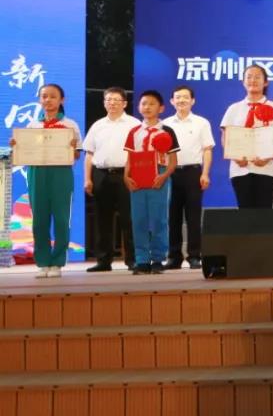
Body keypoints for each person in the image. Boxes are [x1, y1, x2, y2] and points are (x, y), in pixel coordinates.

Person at [9, 84, 81, 278]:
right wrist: (16, 145)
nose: (48, 100)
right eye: (44, 96)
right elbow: (22, 153)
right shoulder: (32, 126)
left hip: (61, 174)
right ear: (40, 100)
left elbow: (76, 156)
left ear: (62, 100)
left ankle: (57, 262)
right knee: (39, 219)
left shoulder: (70, 125)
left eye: (53, 96)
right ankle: (43, 262)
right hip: (37, 173)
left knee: (61, 219)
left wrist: (72, 148)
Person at [123, 90, 180, 275]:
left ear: (161, 108)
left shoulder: (167, 131)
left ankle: (157, 259)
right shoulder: (134, 132)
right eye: (143, 103)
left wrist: (164, 176)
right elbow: (130, 158)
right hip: (137, 176)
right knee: (138, 219)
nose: (147, 107)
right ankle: (141, 260)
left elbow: (173, 161)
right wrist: (126, 176)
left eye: (151, 104)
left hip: (159, 176)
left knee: (158, 219)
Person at [82, 87, 139, 271]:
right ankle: (103, 261)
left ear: (125, 103)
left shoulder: (134, 124)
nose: (112, 103)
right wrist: (87, 179)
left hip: (126, 175)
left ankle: (133, 260)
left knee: (129, 219)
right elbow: (89, 154)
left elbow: (140, 153)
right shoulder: (98, 125)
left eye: (116, 100)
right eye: (108, 100)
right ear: (104, 103)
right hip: (101, 174)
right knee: (102, 219)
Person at [219, 65, 273, 208]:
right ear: (243, 82)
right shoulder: (234, 109)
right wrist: (235, 157)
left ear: (266, 82)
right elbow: (226, 137)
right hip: (240, 169)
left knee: (264, 211)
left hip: (268, 169)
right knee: (244, 211)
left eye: (257, 77)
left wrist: (268, 157)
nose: (253, 80)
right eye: (249, 77)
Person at [163, 85, 214, 270]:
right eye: (178, 97)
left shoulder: (201, 123)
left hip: (193, 172)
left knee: (193, 216)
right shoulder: (165, 124)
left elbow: (207, 149)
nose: (181, 100)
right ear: (172, 101)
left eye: (185, 97)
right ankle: (174, 257)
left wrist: (205, 173)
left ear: (193, 101)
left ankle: (194, 255)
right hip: (170, 173)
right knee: (172, 217)